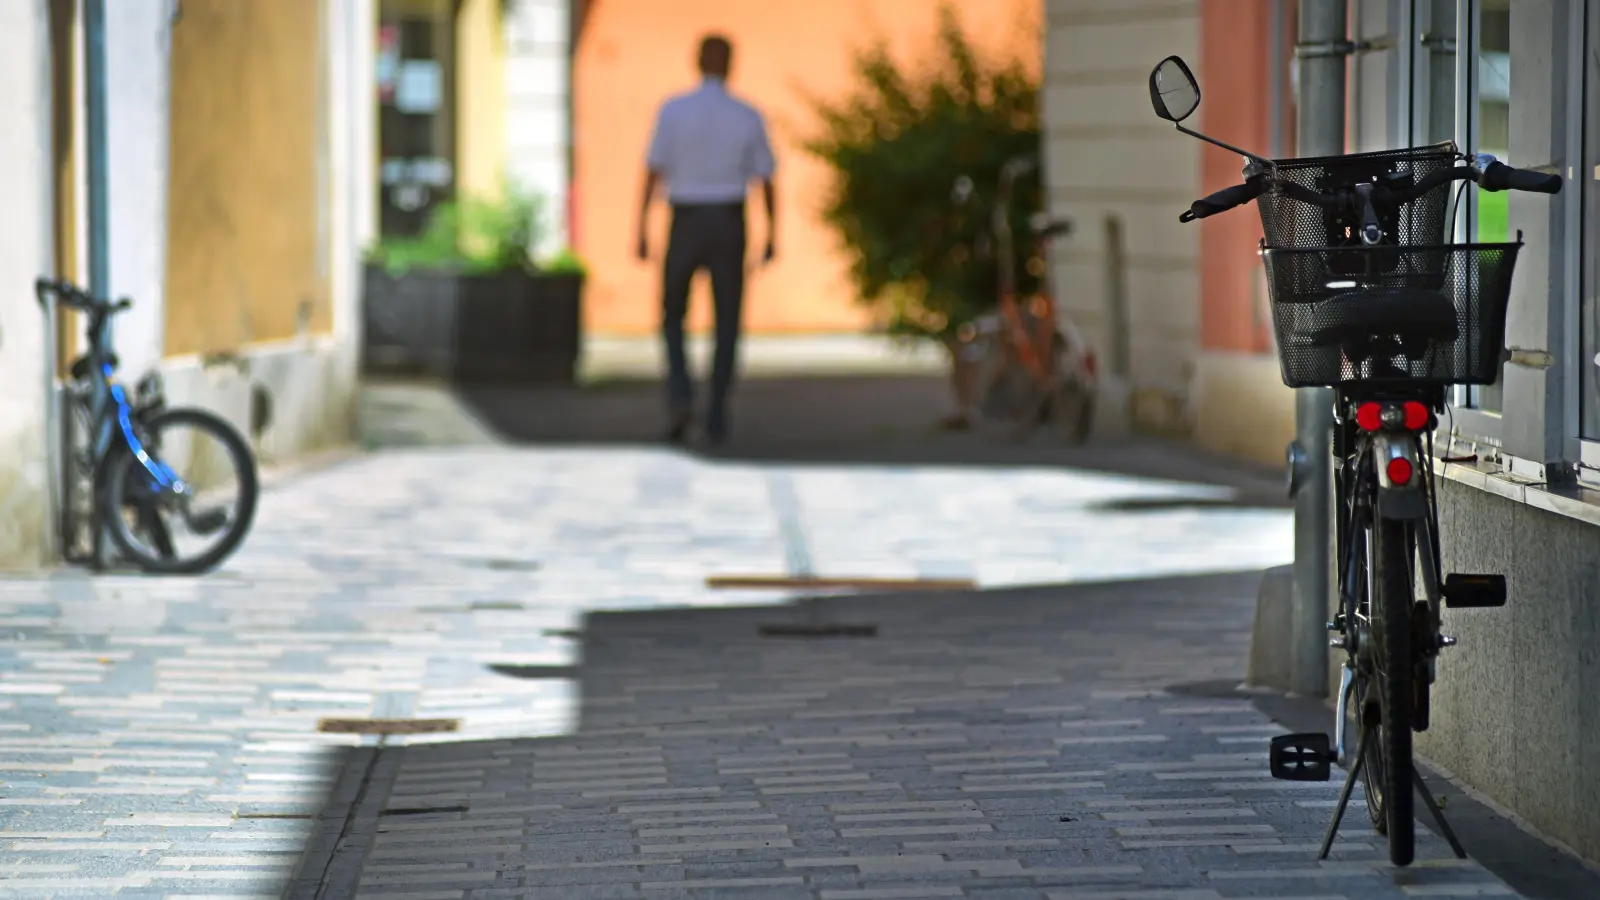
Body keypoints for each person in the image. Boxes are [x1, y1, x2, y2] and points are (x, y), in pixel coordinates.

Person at [635, 33, 777, 445]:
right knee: (727, 320)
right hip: (728, 220)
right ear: (731, 63)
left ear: (697, 61)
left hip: (687, 218)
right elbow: (766, 179)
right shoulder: (747, 114)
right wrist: (771, 233)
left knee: (672, 314)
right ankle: (716, 409)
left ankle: (680, 392)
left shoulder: (675, 110)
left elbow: (653, 170)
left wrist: (641, 228)